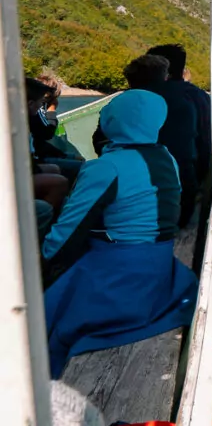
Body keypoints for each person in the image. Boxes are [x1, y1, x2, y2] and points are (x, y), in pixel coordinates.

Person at [42, 89, 197, 378]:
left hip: (119, 273)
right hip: (161, 267)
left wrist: (41, 262)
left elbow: (67, 232)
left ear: (114, 121)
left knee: (43, 320)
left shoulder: (105, 167)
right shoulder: (167, 158)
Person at [94, 55, 200, 228]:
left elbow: (99, 141)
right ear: (164, 77)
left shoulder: (118, 106)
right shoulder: (182, 104)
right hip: (182, 195)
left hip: (128, 200)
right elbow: (186, 148)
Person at [148, 44, 211, 201]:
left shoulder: (152, 97)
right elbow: (205, 143)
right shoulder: (200, 96)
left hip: (159, 188)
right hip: (190, 183)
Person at [25, 78, 69, 214]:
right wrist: (52, 110)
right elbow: (46, 134)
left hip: (33, 162)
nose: (41, 105)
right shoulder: (31, 116)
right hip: (30, 165)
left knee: (54, 169)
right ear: (31, 103)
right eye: (40, 102)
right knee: (60, 181)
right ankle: (42, 221)